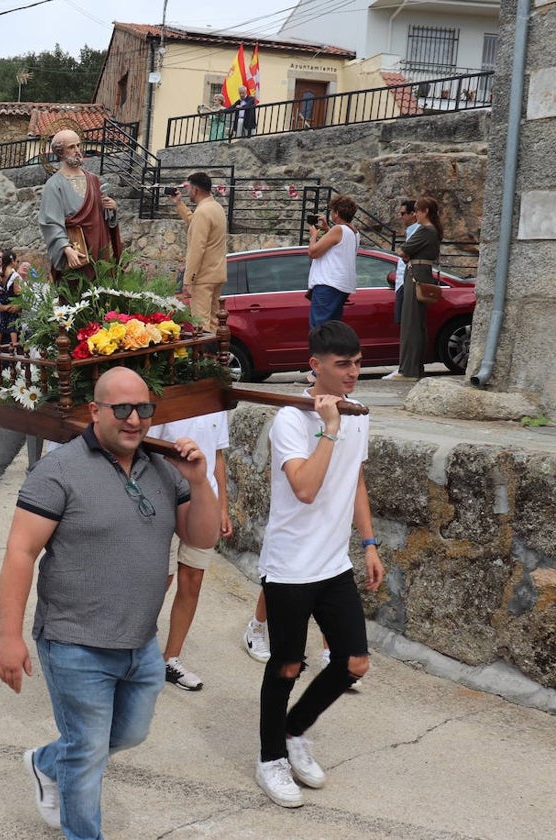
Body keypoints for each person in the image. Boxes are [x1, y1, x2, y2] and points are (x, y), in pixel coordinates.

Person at [0, 367, 220, 837]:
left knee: (127, 734)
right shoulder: (57, 471)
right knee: (90, 754)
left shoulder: (163, 468)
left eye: (144, 409)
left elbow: (202, 537)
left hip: (140, 644)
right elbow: (21, 553)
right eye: (122, 409)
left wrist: (200, 482)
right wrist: (9, 637)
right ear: (95, 411)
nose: (135, 420)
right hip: (74, 642)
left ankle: (46, 761)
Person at [254, 320, 384, 809]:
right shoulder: (290, 418)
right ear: (315, 366)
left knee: (354, 662)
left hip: (332, 565)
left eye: (357, 363)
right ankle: (269, 759)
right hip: (289, 567)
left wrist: (368, 542)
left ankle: (292, 732)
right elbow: (305, 490)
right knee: (287, 665)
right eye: (342, 365)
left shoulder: (358, 412)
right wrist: (328, 429)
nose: (354, 373)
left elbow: (354, 481)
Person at [146, 411, 232, 691]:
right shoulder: (171, 396)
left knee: (193, 580)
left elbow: (217, 455)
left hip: (204, 499)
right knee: (160, 580)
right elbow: (148, 449)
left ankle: (171, 658)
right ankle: (136, 651)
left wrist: (221, 506)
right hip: (167, 498)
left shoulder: (217, 401)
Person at [38, 129, 121, 282]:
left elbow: (103, 217)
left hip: (100, 245)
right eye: (71, 147)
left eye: (78, 145)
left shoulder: (93, 179)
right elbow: (50, 222)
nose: (77, 150)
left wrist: (112, 209)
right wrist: (65, 248)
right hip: (77, 248)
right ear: (60, 152)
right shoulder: (54, 184)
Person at [391, 197, 443, 382]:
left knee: (411, 323)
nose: (416, 215)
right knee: (417, 323)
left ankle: (409, 369)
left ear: (425, 212)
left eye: (418, 211)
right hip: (421, 272)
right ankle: (414, 367)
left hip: (416, 274)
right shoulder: (432, 231)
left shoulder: (426, 230)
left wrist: (406, 255)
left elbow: (402, 251)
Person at [170, 172, 228, 334]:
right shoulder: (215, 207)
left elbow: (197, 249)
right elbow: (194, 222)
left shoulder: (203, 212)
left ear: (194, 190)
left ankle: (207, 358)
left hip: (203, 277)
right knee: (214, 321)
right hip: (216, 274)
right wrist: (179, 204)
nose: (188, 191)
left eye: (189, 188)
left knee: (201, 324)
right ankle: (216, 356)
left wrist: (188, 280)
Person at [307, 195, 360, 328]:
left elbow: (313, 252)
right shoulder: (353, 232)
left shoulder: (338, 229)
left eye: (332, 211)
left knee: (320, 328)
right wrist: (326, 229)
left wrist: (313, 236)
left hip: (328, 284)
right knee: (332, 327)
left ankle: (320, 349)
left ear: (336, 213)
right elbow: (338, 244)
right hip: (342, 285)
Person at [383, 200, 420, 381]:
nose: (400, 216)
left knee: (409, 327)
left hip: (407, 282)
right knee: (405, 326)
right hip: (401, 282)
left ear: (414, 213)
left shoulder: (419, 232)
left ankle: (407, 369)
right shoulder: (411, 232)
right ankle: (405, 367)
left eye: (403, 213)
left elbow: (404, 254)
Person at [0, 250, 23, 346]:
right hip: (12, 301)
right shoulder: (14, 276)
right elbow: (17, 291)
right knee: (12, 323)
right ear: (12, 261)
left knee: (2, 322)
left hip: (3, 300)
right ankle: (14, 345)